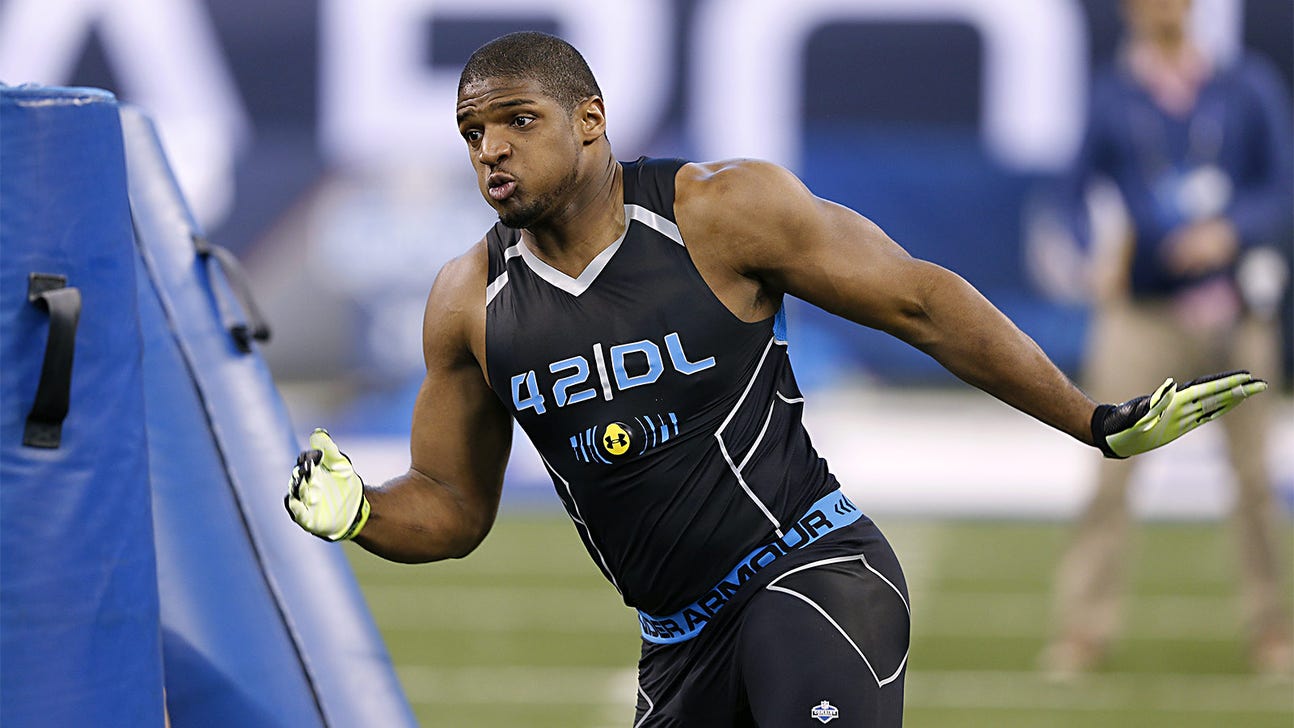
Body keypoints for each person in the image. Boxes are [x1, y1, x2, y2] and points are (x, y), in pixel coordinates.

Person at [283, 31, 1268, 726]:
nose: (490, 149)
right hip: (676, 643)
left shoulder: (719, 213)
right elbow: (454, 504)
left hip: (811, 572)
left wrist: (1090, 417)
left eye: (516, 120)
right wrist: (360, 510)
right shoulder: (468, 301)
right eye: (471, 132)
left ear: (590, 122)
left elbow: (920, 302)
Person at [1040, 0, 1293, 680]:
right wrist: (1090, 251)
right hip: (1143, 312)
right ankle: (1083, 628)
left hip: (1236, 310)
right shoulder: (1115, 95)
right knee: (1110, 468)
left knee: (1254, 482)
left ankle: (1272, 628)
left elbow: (1281, 186)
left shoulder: (1245, 86)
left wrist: (1231, 229)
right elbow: (1070, 192)